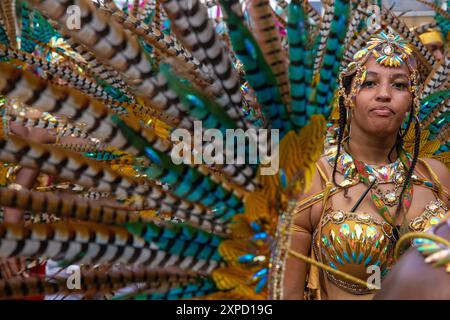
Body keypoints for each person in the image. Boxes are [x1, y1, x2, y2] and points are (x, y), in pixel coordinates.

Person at [282, 31, 450, 300]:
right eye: (369, 83)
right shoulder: (312, 179)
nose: (384, 94)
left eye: (399, 85)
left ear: (412, 101)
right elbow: (286, 294)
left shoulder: (436, 177)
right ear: (348, 95)